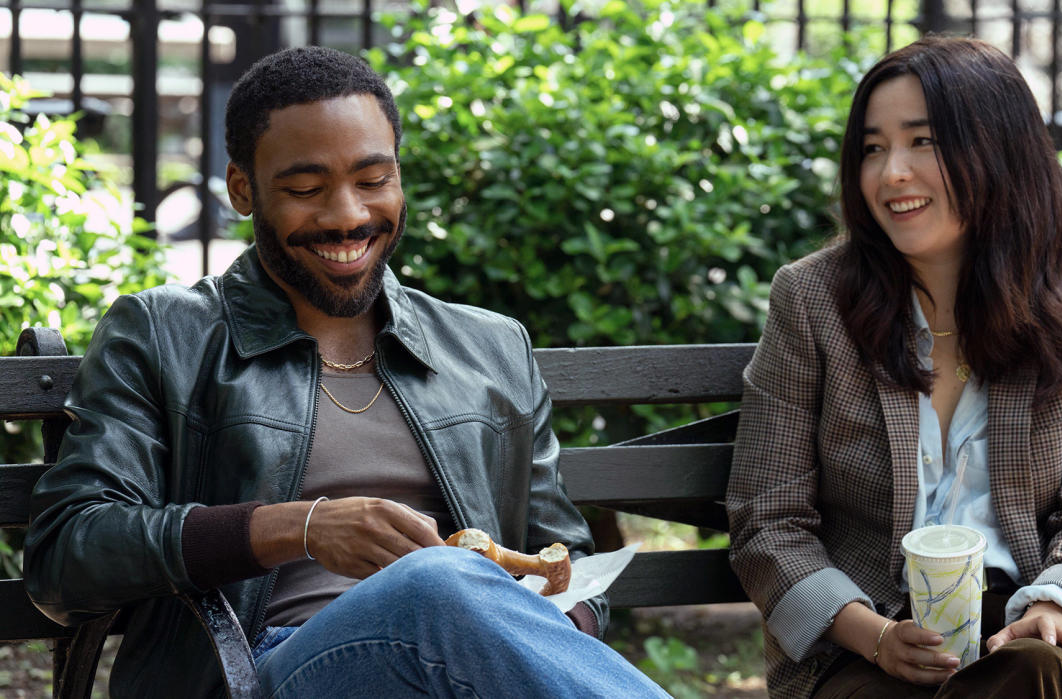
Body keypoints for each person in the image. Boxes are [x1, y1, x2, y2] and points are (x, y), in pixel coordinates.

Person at [23, 46, 667, 698]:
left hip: (465, 667)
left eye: (373, 179)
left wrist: (550, 627)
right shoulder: (164, 333)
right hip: (259, 673)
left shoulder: (489, 347)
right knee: (435, 584)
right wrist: (298, 527)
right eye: (305, 189)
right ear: (242, 188)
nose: (348, 216)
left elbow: (563, 557)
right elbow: (68, 552)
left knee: (446, 589)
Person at [726, 37, 1062, 699]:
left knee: (1037, 674)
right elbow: (767, 517)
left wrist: (1052, 607)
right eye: (873, 148)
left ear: (998, 149)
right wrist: (871, 633)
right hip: (868, 640)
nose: (891, 173)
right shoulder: (814, 300)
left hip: (1030, 630)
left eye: (922, 142)